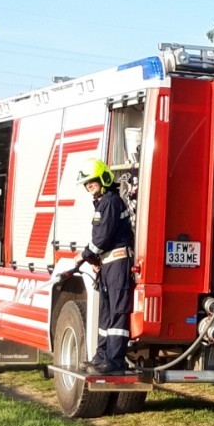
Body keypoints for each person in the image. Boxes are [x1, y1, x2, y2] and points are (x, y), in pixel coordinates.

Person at [72, 158, 136, 376]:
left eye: (92, 182)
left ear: (103, 179)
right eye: (87, 183)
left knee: (117, 313)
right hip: (108, 265)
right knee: (106, 313)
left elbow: (101, 238)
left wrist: (84, 255)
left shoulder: (110, 201)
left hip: (118, 263)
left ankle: (115, 360)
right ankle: (101, 357)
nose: (89, 186)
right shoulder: (103, 202)